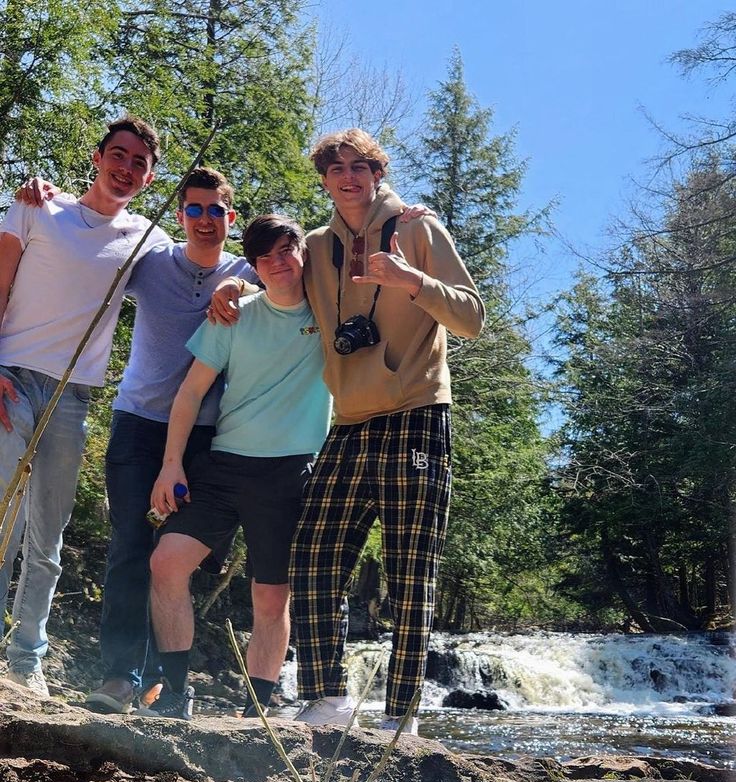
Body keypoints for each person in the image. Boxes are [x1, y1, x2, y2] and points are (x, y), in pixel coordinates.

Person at [212, 128, 483, 734]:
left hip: (416, 413)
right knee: (313, 557)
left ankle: (403, 713)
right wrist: (236, 283)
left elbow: (471, 317)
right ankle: (327, 698)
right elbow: (279, 281)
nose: (349, 177)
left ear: (377, 172)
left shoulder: (417, 230)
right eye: (336, 169)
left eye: (360, 166)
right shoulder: (313, 244)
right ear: (325, 181)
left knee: (410, 566)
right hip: (350, 423)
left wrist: (411, 280)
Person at [0, 116, 168, 698]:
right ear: (97, 157)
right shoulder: (36, 208)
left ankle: (26, 663)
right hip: (11, 379)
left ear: (149, 179)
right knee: (1, 519)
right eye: (118, 155)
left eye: (139, 164)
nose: (126, 168)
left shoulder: (148, 239)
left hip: (73, 398)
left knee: (48, 537)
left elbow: (201, 269)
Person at [141, 214, 331, 720]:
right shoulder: (234, 314)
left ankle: (256, 716)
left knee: (270, 599)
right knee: (166, 562)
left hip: (290, 474)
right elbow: (190, 392)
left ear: (302, 253)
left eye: (286, 251)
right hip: (224, 465)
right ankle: (176, 695)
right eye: (265, 257)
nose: (278, 263)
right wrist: (171, 465)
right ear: (254, 265)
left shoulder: (330, 312)